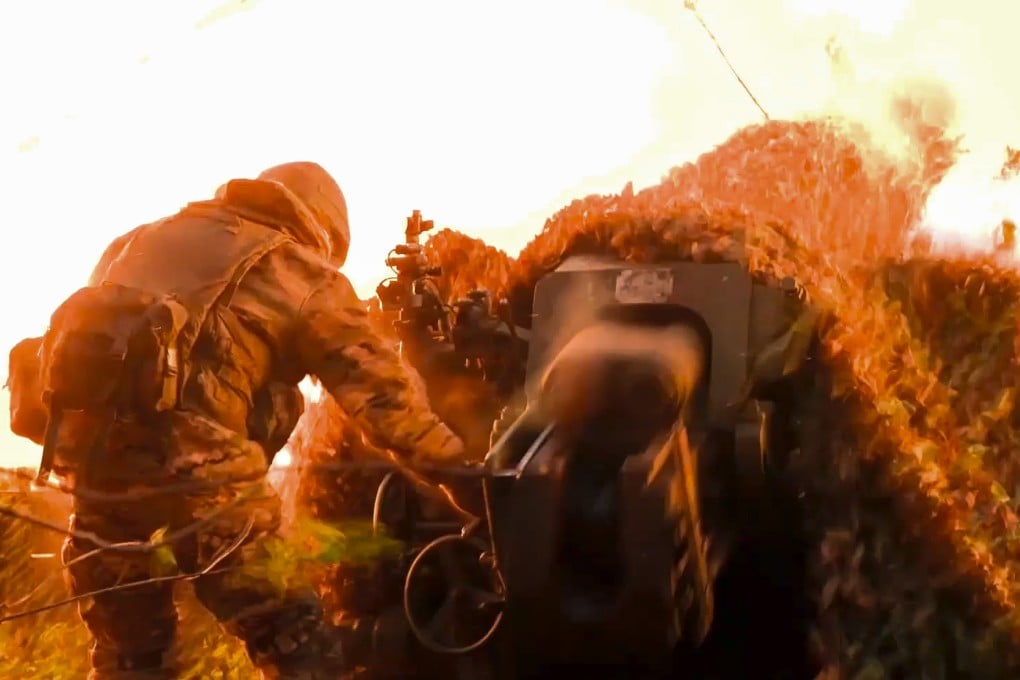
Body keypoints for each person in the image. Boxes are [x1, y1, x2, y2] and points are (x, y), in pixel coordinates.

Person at [8, 162, 464, 679]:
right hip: (210, 485)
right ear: (323, 228)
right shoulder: (295, 267)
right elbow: (387, 400)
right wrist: (464, 479)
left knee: (129, 660)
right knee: (294, 640)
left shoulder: (137, 241)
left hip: (96, 492)